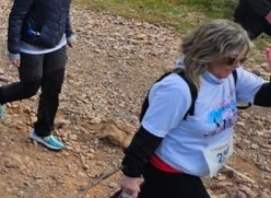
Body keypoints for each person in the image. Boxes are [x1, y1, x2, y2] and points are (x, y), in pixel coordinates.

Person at [116, 20, 271, 198]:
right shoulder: (178, 89)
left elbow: (264, 97)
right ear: (209, 54)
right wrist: (131, 175)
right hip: (169, 168)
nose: (237, 65)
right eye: (231, 59)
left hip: (191, 167)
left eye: (242, 59)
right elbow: (148, 135)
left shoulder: (232, 75)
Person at [0, 0, 85, 152]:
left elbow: (63, 9)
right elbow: (17, 16)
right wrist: (13, 48)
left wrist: (68, 32)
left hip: (56, 44)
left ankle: (42, 131)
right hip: (31, 45)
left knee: (53, 89)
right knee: (30, 87)